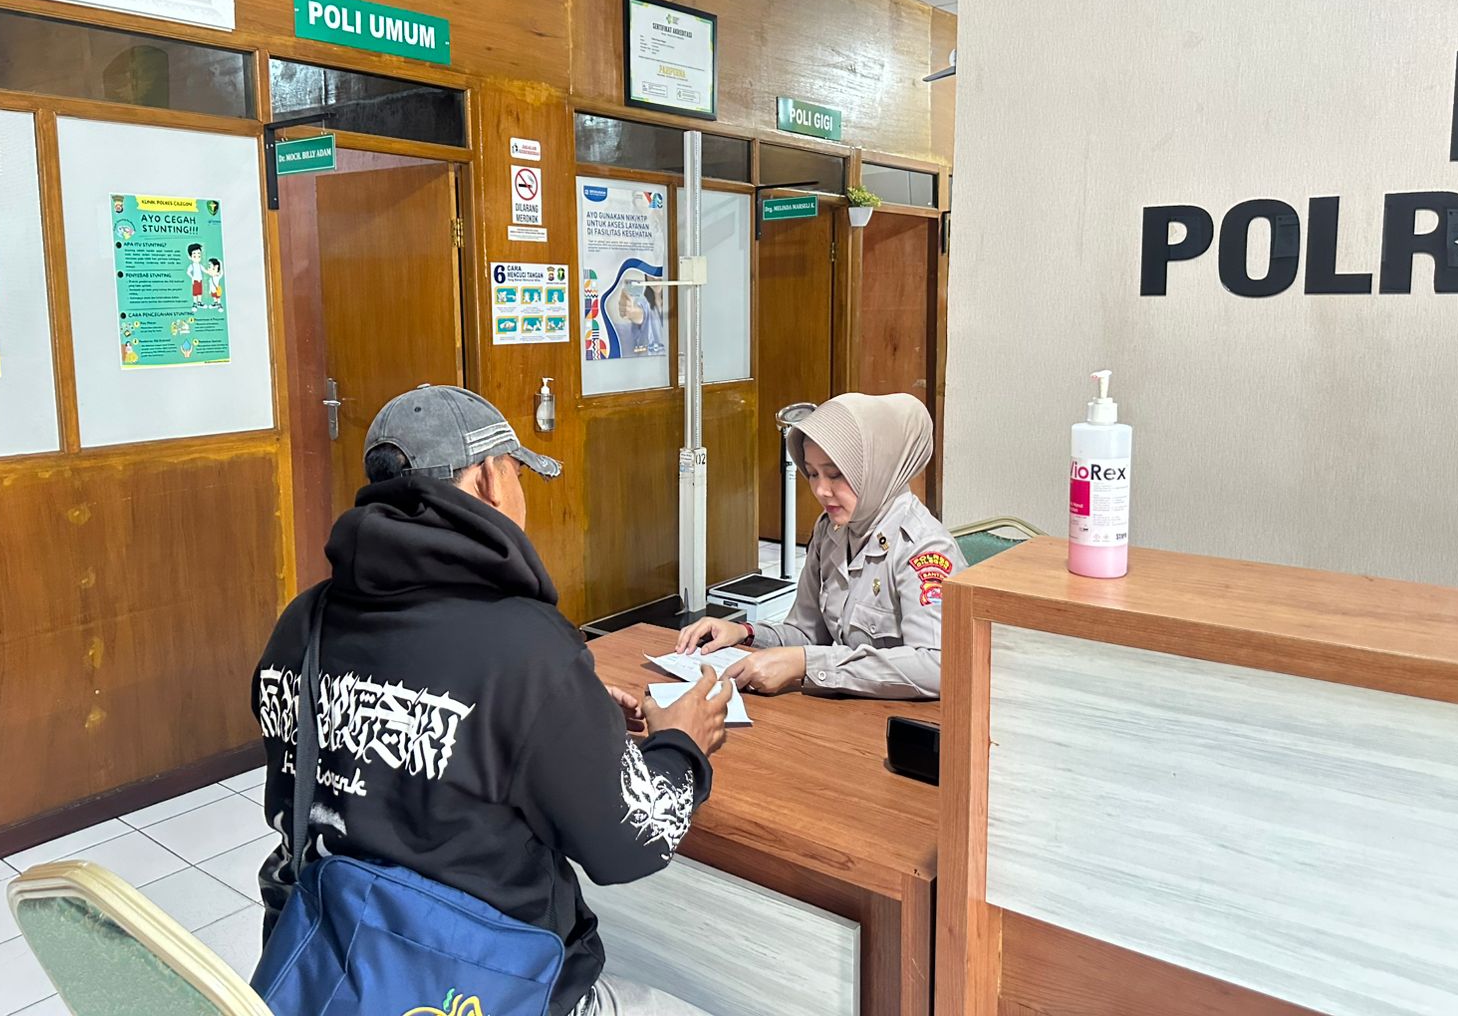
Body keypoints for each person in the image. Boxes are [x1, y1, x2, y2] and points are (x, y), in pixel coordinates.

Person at [253, 385, 727, 1016]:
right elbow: (632, 843)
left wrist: (563, 718)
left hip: (331, 971)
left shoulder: (303, 621)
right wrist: (683, 742)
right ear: (488, 481)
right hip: (480, 987)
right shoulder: (523, 644)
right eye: (516, 473)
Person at [677, 393, 967, 700]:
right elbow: (807, 633)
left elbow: (939, 666)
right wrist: (745, 633)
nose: (820, 490)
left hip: (899, 720)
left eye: (835, 474)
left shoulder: (922, 547)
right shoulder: (832, 531)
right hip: (843, 710)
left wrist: (808, 663)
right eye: (812, 473)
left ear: (878, 468)